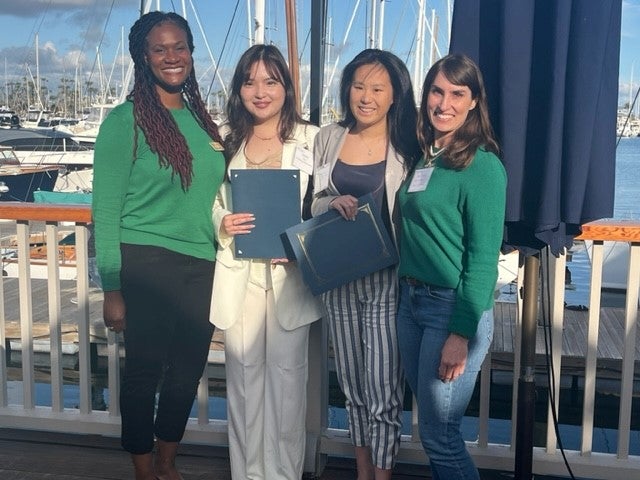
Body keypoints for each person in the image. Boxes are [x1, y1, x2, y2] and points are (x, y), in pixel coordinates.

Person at [92, 11, 225, 480]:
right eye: (160, 49)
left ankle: (168, 463)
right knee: (143, 374)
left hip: (202, 263)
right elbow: (106, 211)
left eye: (180, 47)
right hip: (145, 263)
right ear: (143, 58)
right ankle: (144, 469)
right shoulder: (124, 121)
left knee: (187, 374)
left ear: (191, 53)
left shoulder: (203, 123)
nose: (172, 56)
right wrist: (111, 288)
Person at [209, 44, 322, 480]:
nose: (260, 91)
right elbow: (209, 201)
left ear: (286, 87)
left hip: (289, 277)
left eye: (271, 81)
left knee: (289, 387)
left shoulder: (312, 139)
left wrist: (303, 242)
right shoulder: (225, 138)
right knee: (243, 386)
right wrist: (222, 221)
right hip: (240, 275)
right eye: (250, 81)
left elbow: (324, 202)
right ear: (239, 89)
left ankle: (283, 475)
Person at [311, 49, 421, 480]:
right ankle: (362, 473)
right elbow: (313, 201)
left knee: (383, 392)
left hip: (387, 281)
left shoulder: (410, 143)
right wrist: (329, 202)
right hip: (339, 278)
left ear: (395, 94)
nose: (366, 97)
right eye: (358, 86)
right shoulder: (328, 137)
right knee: (352, 388)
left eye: (377, 88)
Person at [396, 53, 507, 480]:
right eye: (436, 92)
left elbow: (483, 261)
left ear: (474, 101)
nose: (444, 103)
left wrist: (461, 334)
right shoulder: (427, 157)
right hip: (411, 303)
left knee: (440, 437)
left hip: (450, 310)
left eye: (457, 94)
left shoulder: (482, 166)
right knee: (433, 431)